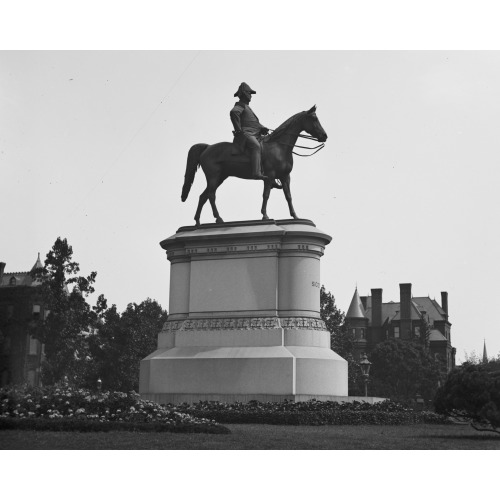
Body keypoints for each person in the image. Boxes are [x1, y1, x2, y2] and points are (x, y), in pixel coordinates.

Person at [230, 82, 269, 180]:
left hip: (255, 134)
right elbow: (234, 112)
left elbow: (252, 123)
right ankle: (256, 173)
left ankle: (269, 174)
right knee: (256, 146)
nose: (251, 96)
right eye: (249, 93)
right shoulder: (241, 106)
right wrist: (238, 130)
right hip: (246, 134)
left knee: (268, 145)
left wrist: (262, 127)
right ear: (244, 93)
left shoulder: (247, 107)